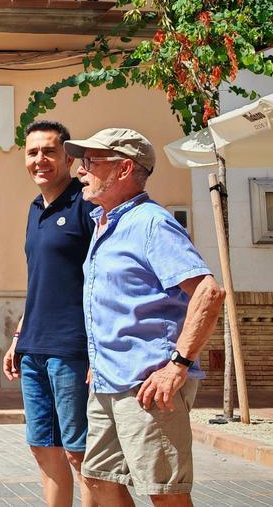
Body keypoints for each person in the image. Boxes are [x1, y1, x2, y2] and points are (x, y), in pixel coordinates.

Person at [66, 128, 226, 506]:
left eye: (90, 161)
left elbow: (209, 292)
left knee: (163, 491)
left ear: (123, 169)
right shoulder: (105, 222)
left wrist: (178, 365)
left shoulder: (152, 223)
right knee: (99, 478)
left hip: (147, 384)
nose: (80, 170)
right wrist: (98, 358)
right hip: (108, 379)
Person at [3, 120, 96, 507]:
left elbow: (103, 279)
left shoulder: (86, 204)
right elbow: (41, 282)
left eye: (49, 151)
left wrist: (98, 350)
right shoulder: (34, 209)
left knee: (81, 453)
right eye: (32, 152)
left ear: (68, 158)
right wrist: (18, 337)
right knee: (43, 447)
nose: (39, 159)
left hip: (73, 350)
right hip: (34, 348)